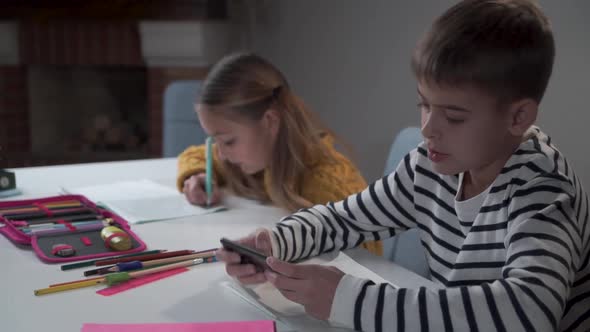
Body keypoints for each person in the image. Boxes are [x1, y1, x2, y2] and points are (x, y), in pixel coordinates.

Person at [217, 1, 590, 331]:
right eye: (424, 105)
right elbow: (344, 220)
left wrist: (350, 300)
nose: (427, 129)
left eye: (454, 117)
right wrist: (276, 241)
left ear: (518, 117)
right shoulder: (427, 168)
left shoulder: (543, 190)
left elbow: (528, 313)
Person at [178, 52, 382, 255]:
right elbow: (197, 155)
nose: (221, 154)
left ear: (269, 121)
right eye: (214, 141)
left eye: (228, 141)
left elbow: (369, 262)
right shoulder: (249, 159)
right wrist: (197, 175)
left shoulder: (327, 186)